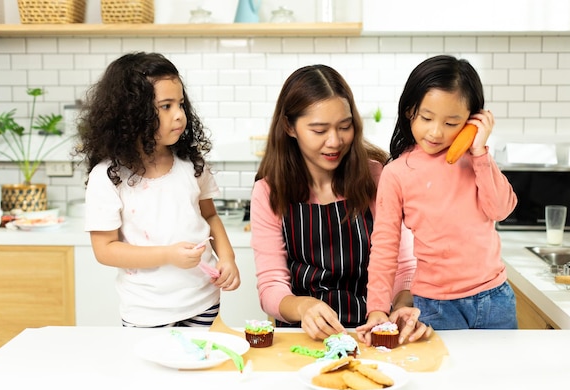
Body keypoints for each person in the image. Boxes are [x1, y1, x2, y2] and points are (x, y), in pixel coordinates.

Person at [250, 64, 431, 343]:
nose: (335, 141)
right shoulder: (268, 192)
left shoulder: (379, 177)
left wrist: (403, 306)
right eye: (319, 130)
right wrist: (303, 306)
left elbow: (403, 265)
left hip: (371, 330)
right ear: (289, 127)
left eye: (344, 127)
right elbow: (272, 286)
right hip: (302, 335)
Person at [358, 55, 518, 340]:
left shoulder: (476, 160)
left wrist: (480, 153)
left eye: (451, 122)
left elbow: (501, 209)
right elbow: (384, 247)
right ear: (410, 112)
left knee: (499, 379)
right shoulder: (396, 173)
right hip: (436, 306)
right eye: (427, 118)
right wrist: (377, 309)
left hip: (495, 298)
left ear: (471, 120)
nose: (435, 131)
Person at [77, 52, 240, 328]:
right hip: (146, 310)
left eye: (180, 104)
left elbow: (210, 217)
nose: (179, 115)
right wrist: (168, 255)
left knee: (201, 369)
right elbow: (105, 250)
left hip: (203, 301)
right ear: (132, 114)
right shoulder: (107, 177)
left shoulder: (192, 165)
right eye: (165, 106)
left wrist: (228, 257)